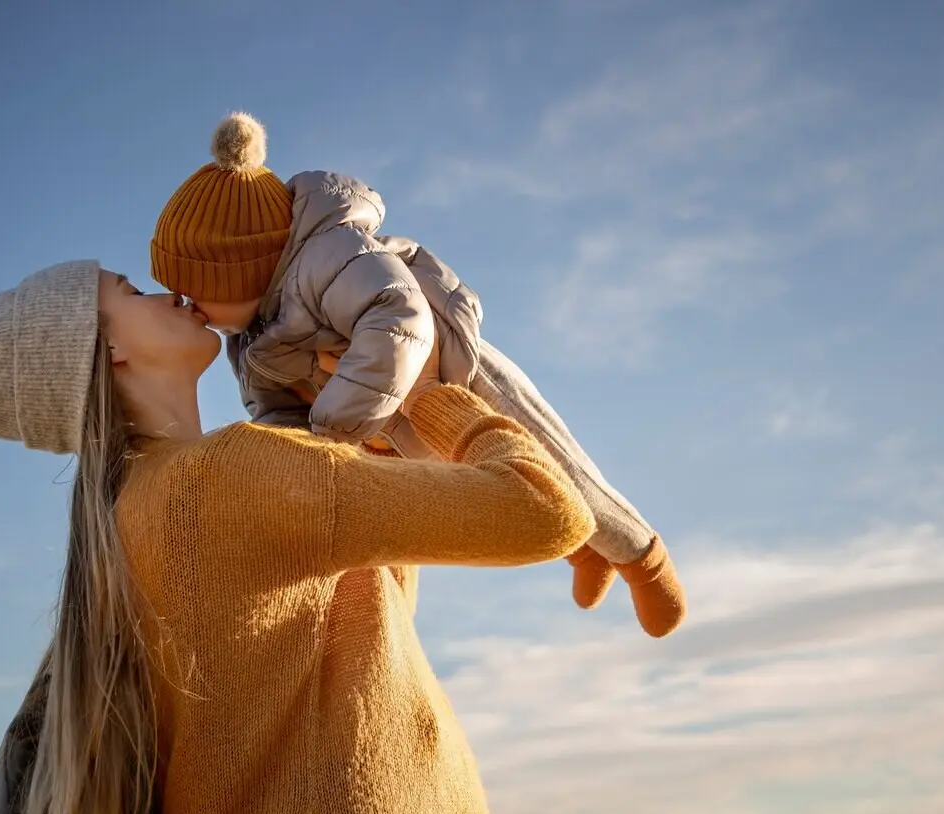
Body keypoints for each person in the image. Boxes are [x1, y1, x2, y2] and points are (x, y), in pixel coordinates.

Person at [0, 261, 596, 814]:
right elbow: (547, 513)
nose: (168, 291)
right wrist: (449, 409)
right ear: (109, 349)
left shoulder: (138, 516)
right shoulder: (227, 475)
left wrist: (377, 439)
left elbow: (362, 623)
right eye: (131, 291)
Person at [151, 112, 686, 640]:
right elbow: (274, 412)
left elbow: (398, 315)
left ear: (240, 270)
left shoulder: (327, 257)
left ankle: (643, 559)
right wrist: (301, 457)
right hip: (387, 424)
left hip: (456, 378)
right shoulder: (249, 339)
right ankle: (584, 547)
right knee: (493, 491)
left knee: (557, 462)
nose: (187, 304)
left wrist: (333, 430)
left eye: (196, 289)